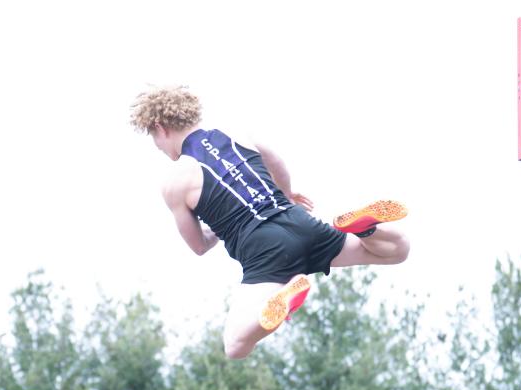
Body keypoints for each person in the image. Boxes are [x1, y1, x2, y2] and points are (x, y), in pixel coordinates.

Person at [130, 86, 410, 359]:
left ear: (161, 127)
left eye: (155, 138)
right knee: (398, 251)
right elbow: (277, 163)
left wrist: (218, 227)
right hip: (298, 220)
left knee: (235, 344)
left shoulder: (174, 182)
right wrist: (286, 196)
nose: (159, 147)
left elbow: (199, 246)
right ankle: (366, 228)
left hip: (263, 248)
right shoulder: (235, 133)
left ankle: (279, 304)